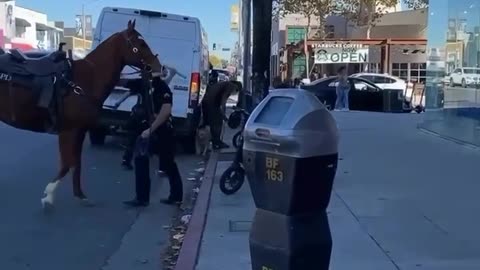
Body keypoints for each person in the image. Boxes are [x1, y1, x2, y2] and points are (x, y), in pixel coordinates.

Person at [123, 75, 183, 207]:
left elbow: (165, 111)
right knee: (140, 161)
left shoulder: (162, 87)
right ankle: (142, 198)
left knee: (168, 163)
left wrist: (151, 129)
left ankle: (176, 196)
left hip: (162, 131)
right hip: (146, 129)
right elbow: (127, 84)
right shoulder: (143, 84)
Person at [201, 80, 242, 149]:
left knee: (210, 122)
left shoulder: (224, 83)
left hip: (206, 101)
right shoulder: (230, 86)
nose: (234, 92)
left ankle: (214, 141)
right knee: (217, 122)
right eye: (237, 90)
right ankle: (217, 142)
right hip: (212, 103)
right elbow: (223, 100)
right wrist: (223, 114)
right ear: (236, 86)